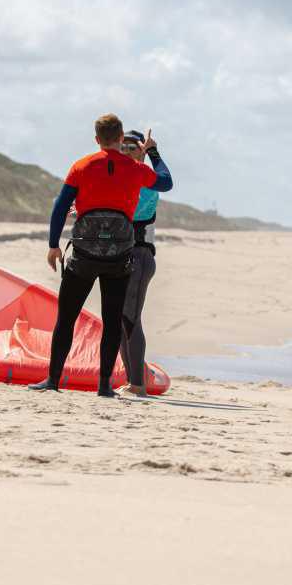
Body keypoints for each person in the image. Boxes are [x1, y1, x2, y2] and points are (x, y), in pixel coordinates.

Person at [29, 114, 172, 397]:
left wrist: (53, 244)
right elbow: (166, 182)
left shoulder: (82, 166)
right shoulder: (134, 169)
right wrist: (152, 151)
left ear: (97, 140)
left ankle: (53, 380)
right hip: (119, 256)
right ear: (120, 138)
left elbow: (59, 207)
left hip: (83, 254)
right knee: (112, 319)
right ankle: (105, 385)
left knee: (66, 318)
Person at [116, 130, 162, 398]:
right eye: (122, 147)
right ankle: (131, 378)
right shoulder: (121, 178)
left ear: (142, 152)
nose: (126, 151)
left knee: (131, 319)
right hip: (120, 256)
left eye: (132, 147)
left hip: (139, 257)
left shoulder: (147, 181)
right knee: (120, 319)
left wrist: (154, 152)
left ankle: (137, 384)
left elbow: (129, 212)